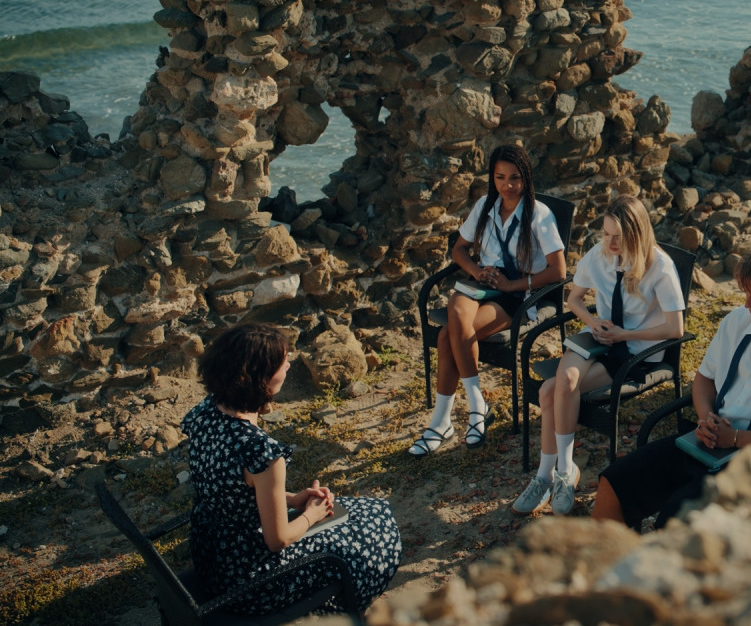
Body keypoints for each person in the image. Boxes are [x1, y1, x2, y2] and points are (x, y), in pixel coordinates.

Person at [592, 239, 751, 530]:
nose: (747, 303)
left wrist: (736, 438)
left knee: (673, 521)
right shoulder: (737, 321)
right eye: (745, 293)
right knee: (614, 482)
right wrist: (706, 417)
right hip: (708, 441)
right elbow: (704, 378)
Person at [182, 322, 401, 615]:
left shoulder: (204, 412)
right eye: (282, 362)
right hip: (250, 581)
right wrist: (311, 514)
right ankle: (339, 606)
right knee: (378, 523)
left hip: (213, 555)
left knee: (365, 511)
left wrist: (292, 498)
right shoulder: (262, 453)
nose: (288, 365)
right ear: (261, 377)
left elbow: (231, 488)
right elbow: (278, 540)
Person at [511, 195, 686, 516]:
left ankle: (548, 474)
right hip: (598, 337)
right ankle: (561, 471)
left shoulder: (660, 267)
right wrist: (593, 322)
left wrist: (625, 334)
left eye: (618, 236)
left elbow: (675, 329)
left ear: (637, 233)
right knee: (564, 379)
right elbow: (574, 300)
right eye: (606, 234)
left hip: (633, 350)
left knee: (551, 391)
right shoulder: (599, 255)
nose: (610, 242)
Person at [409, 144, 567, 455]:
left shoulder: (539, 215)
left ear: (526, 178)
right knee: (456, 306)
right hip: (483, 284)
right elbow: (458, 249)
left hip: (515, 294)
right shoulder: (485, 205)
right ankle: (476, 406)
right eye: (500, 177)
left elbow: (559, 270)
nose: (507, 185)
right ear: (492, 177)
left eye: (515, 178)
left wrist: (513, 285)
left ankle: (442, 422)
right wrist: (477, 270)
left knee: (446, 337)